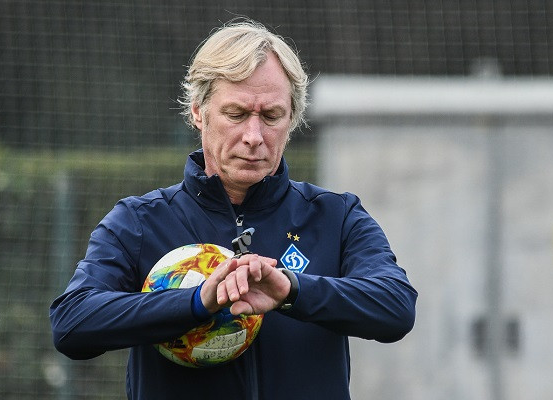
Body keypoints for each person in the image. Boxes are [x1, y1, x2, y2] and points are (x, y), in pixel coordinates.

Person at [50, 19, 417, 400]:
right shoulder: (139, 221)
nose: (254, 136)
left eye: (271, 116)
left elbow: (396, 305)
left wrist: (292, 290)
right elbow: (71, 322)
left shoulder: (336, 216)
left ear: (292, 118)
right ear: (198, 112)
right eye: (236, 114)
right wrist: (197, 301)